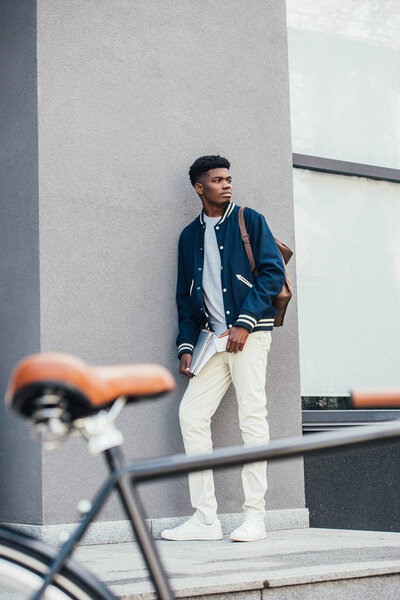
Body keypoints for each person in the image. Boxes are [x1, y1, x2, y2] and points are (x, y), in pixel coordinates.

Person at [161, 155, 285, 542]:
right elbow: (185, 295)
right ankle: (206, 519)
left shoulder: (249, 220)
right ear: (200, 188)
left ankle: (255, 517)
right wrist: (185, 344)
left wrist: (245, 323)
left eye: (229, 178)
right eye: (217, 180)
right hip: (212, 340)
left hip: (249, 336)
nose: (226, 184)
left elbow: (272, 273)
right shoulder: (189, 236)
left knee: (253, 418)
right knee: (191, 414)